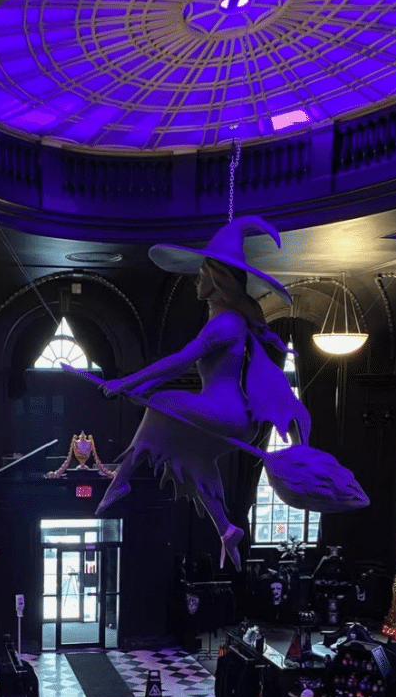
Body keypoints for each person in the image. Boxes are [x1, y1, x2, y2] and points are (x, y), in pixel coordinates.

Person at [95, 215, 311, 571]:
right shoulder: (224, 320)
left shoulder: (225, 323)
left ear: (216, 279)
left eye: (201, 274)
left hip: (226, 415)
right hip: (223, 414)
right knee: (189, 457)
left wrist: (129, 383)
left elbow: (180, 362)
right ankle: (226, 528)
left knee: (164, 403)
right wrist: (140, 388)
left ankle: (120, 482)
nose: (196, 280)